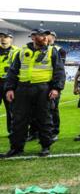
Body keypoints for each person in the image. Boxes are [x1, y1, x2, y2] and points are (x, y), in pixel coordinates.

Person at [1, 29, 65, 158]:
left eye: (46, 36)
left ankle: (45, 146)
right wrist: (9, 89)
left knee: (44, 118)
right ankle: (16, 147)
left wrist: (56, 88)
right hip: (22, 88)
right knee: (18, 119)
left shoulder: (52, 51)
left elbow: (59, 71)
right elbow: (13, 72)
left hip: (43, 88)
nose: (45, 38)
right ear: (33, 37)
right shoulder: (22, 52)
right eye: (42, 36)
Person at [47, 31, 66, 140]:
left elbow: (59, 68)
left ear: (53, 37)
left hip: (53, 83)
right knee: (35, 109)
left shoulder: (60, 50)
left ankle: (54, 131)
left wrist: (56, 86)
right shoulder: (38, 49)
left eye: (47, 35)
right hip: (39, 83)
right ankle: (34, 132)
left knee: (53, 108)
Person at [0, 31, 19, 134]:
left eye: (6, 37)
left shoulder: (17, 51)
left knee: (11, 109)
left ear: (11, 39)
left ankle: (12, 130)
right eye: (1, 37)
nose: (3, 39)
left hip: (9, 83)